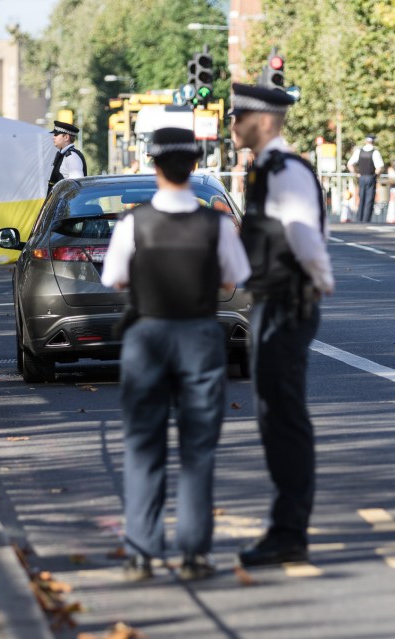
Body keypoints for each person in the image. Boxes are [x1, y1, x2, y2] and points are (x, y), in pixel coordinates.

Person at [100, 127, 251, 581]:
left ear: (153, 166)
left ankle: (142, 553)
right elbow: (233, 280)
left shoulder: (134, 223)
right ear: (195, 164)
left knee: (144, 443)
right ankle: (194, 553)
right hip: (201, 337)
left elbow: (115, 279)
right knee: (198, 447)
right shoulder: (216, 224)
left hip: (147, 335)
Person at [230, 83, 335, 567]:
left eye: (240, 117)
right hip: (271, 301)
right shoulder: (264, 169)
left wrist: (320, 279)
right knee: (274, 415)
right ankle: (285, 525)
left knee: (285, 418)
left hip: (288, 304)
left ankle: (290, 530)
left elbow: (301, 231)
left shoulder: (285, 170)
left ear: (265, 122)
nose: (233, 125)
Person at [347, 135, 384, 222]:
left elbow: (350, 164)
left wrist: (356, 174)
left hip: (362, 177)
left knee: (361, 198)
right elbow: (379, 168)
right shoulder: (375, 152)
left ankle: (359, 218)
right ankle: (366, 220)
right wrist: (375, 176)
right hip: (370, 177)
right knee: (369, 199)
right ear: (373, 142)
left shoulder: (359, 151)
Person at [48, 120, 87, 196]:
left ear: (66, 137)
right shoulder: (64, 155)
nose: (53, 137)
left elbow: (76, 187)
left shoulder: (71, 157)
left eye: (56, 134)